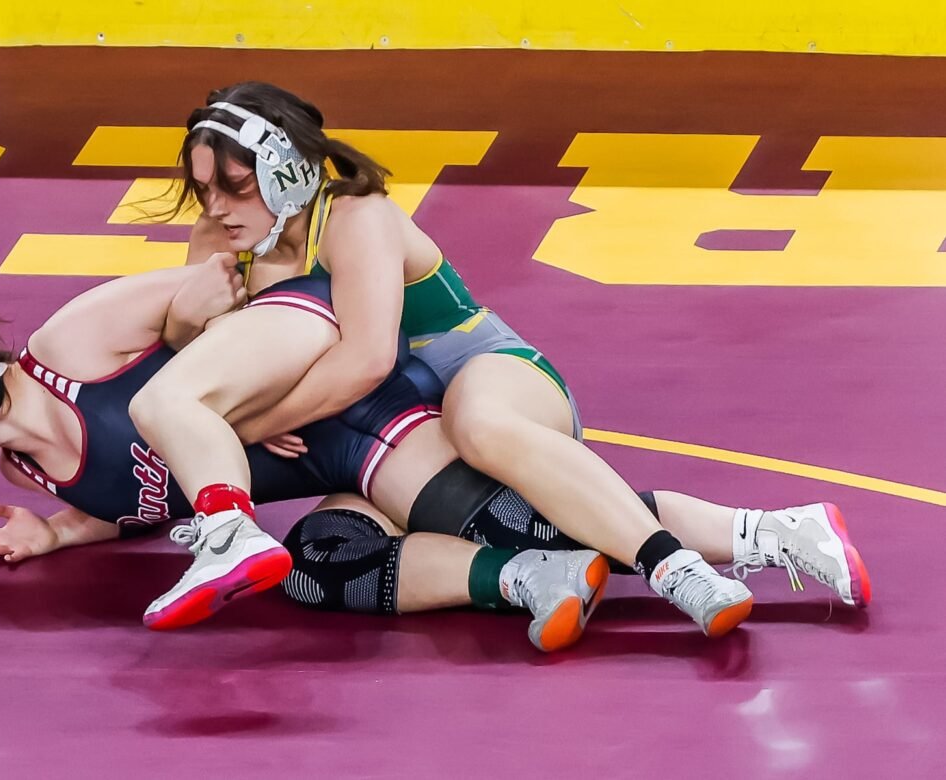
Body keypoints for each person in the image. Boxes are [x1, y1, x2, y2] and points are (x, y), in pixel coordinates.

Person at [131, 82, 869, 632]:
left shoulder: (355, 217)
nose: (217, 207)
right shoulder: (219, 248)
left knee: (479, 422)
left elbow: (361, 362)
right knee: (322, 554)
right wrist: (184, 326)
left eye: (232, 186)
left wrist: (254, 427)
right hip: (385, 439)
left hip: (491, 382)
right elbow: (211, 379)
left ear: (286, 173)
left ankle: (695, 557)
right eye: (202, 190)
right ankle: (536, 577)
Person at [0, 261, 869, 651]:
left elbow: (242, 280)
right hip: (332, 477)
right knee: (321, 572)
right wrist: (56, 533)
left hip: (353, 417)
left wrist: (252, 398)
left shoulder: (75, 347)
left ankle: (775, 533)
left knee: (511, 505)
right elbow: (137, 494)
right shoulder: (28, 469)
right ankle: (541, 580)